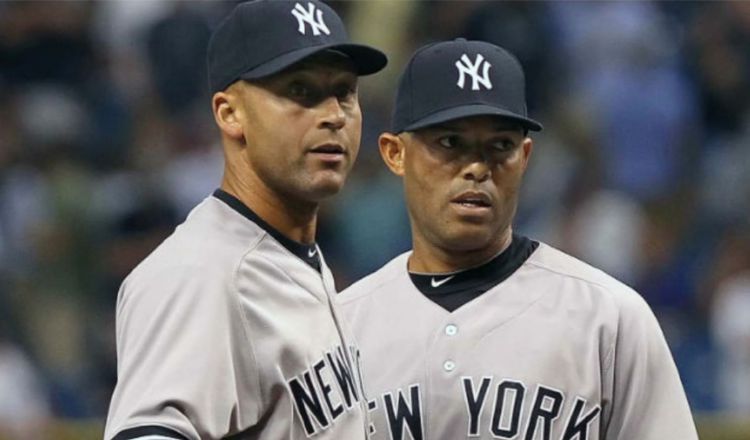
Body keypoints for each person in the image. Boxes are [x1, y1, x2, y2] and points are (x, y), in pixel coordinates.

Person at [337, 39, 698, 440]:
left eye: (500, 146)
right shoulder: (340, 327)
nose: (476, 166)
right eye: (450, 142)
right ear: (395, 153)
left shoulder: (609, 318)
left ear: (525, 157)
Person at [104, 1, 386, 439]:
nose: (333, 115)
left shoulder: (291, 250)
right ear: (230, 114)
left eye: (345, 91)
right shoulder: (198, 274)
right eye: (301, 92)